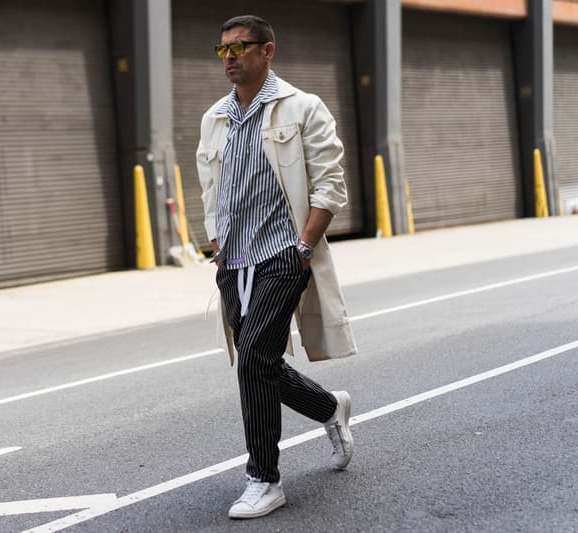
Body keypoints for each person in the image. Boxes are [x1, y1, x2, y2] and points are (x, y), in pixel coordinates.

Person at [196, 15, 358, 519]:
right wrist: (217, 242)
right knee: (260, 360)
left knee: (252, 358)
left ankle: (264, 479)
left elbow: (330, 186)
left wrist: (302, 248)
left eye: (240, 47)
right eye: (223, 49)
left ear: (267, 51)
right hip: (234, 260)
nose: (229, 57)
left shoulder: (303, 108)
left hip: (283, 256)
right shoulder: (215, 118)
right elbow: (211, 189)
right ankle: (330, 408)